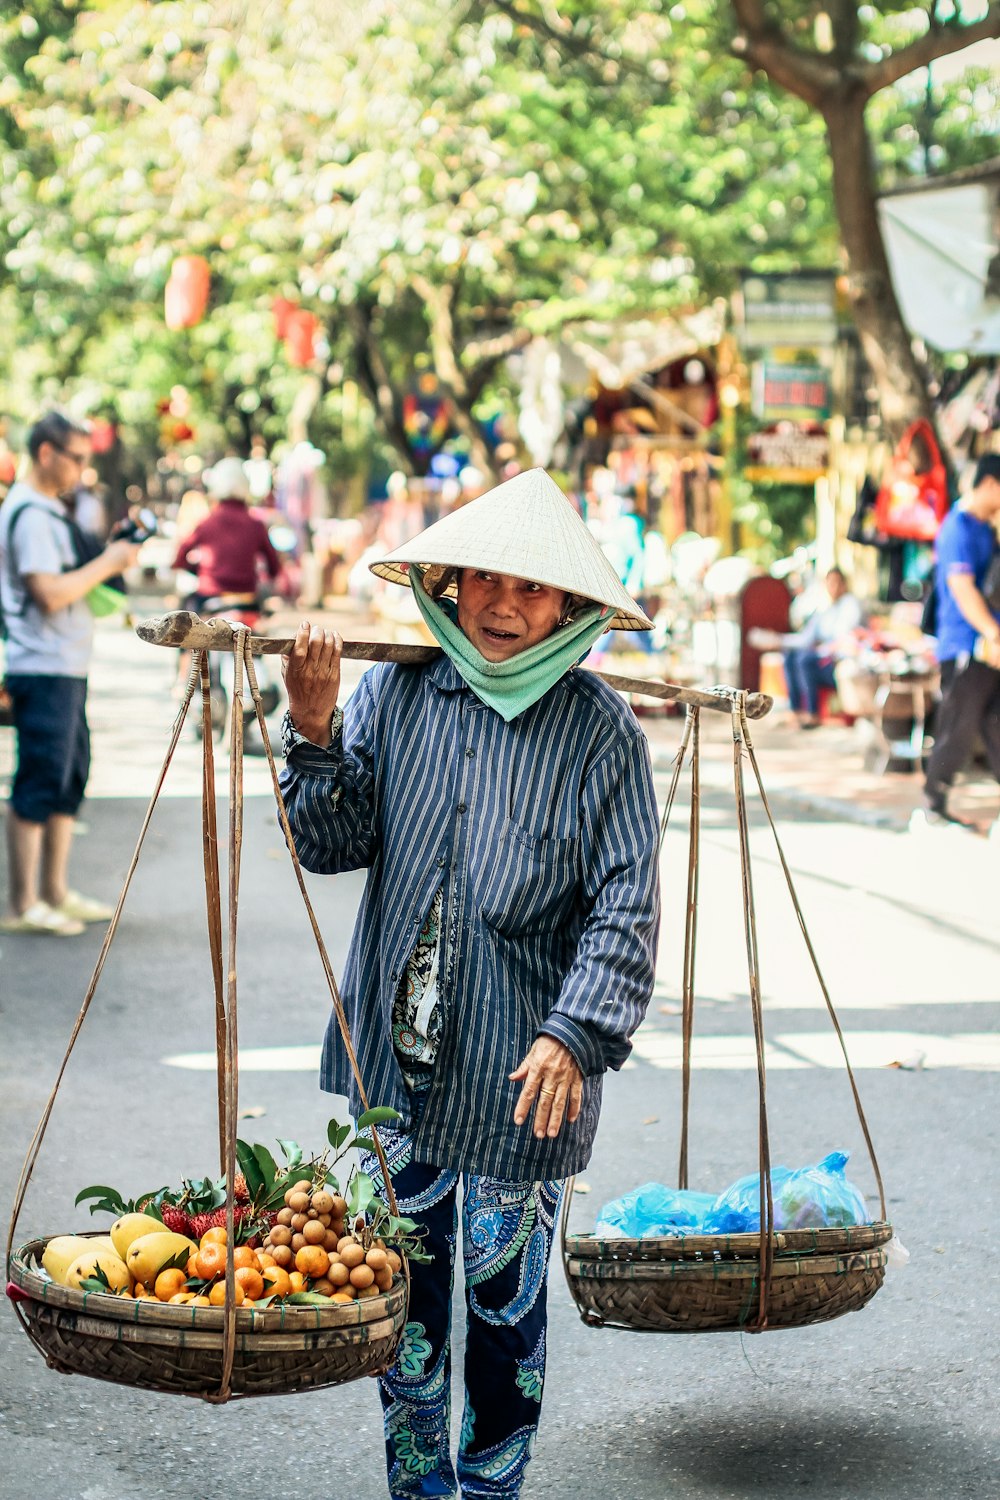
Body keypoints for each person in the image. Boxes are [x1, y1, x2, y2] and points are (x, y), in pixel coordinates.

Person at [279, 468, 661, 1500]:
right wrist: (313, 734)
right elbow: (332, 841)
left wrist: (572, 1033)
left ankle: (491, 1489)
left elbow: (625, 908)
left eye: (532, 590)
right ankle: (418, 1490)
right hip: (392, 1073)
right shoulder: (397, 692)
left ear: (572, 609)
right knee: (400, 1315)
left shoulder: (599, 734)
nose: (501, 605)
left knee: (503, 1320)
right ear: (445, 583)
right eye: (483, 579)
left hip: (522, 1077)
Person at [0, 412, 141, 936]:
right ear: (45, 453)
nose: (83, 470)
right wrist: (110, 562)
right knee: (39, 781)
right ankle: (23, 903)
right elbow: (50, 593)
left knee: (67, 778)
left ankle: (54, 892)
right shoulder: (32, 515)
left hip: (64, 666)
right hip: (42, 667)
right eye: (76, 458)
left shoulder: (45, 511)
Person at [921, 453, 1000, 827]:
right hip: (966, 646)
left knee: (995, 723)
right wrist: (993, 633)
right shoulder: (956, 529)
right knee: (959, 725)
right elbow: (962, 588)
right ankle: (932, 806)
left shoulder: (985, 528)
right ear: (988, 485)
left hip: (989, 645)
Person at [751, 567, 864, 728]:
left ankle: (813, 713)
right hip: (823, 658)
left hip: (838, 660)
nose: (833, 587)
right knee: (791, 656)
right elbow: (805, 639)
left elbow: (842, 638)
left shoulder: (850, 605)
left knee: (805, 660)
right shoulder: (825, 610)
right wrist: (779, 640)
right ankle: (796, 711)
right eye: (830, 583)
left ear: (844, 584)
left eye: (837, 583)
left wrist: (821, 648)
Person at [171, 456, 282, 609]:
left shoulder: (207, 523)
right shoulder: (256, 525)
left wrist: (196, 570)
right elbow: (274, 566)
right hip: (247, 599)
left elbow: (180, 557)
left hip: (209, 596)